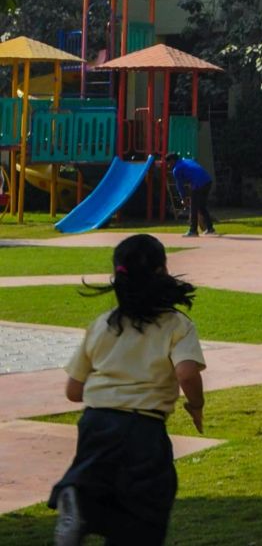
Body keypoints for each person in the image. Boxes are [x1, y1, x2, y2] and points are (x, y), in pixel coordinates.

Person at [50, 234, 206, 546]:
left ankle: (79, 499)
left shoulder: (103, 324)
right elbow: (186, 372)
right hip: (142, 427)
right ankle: (83, 504)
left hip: (95, 424)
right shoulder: (176, 324)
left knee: (106, 490)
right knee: (147, 509)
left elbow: (73, 391)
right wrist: (196, 405)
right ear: (162, 272)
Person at [163, 154, 217, 238]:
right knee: (201, 206)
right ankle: (210, 228)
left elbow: (180, 186)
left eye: (168, 163)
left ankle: (193, 230)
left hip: (198, 184)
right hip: (208, 181)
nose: (168, 166)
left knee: (193, 207)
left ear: (172, 161)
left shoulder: (176, 169)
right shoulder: (188, 160)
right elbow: (194, 170)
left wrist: (183, 199)